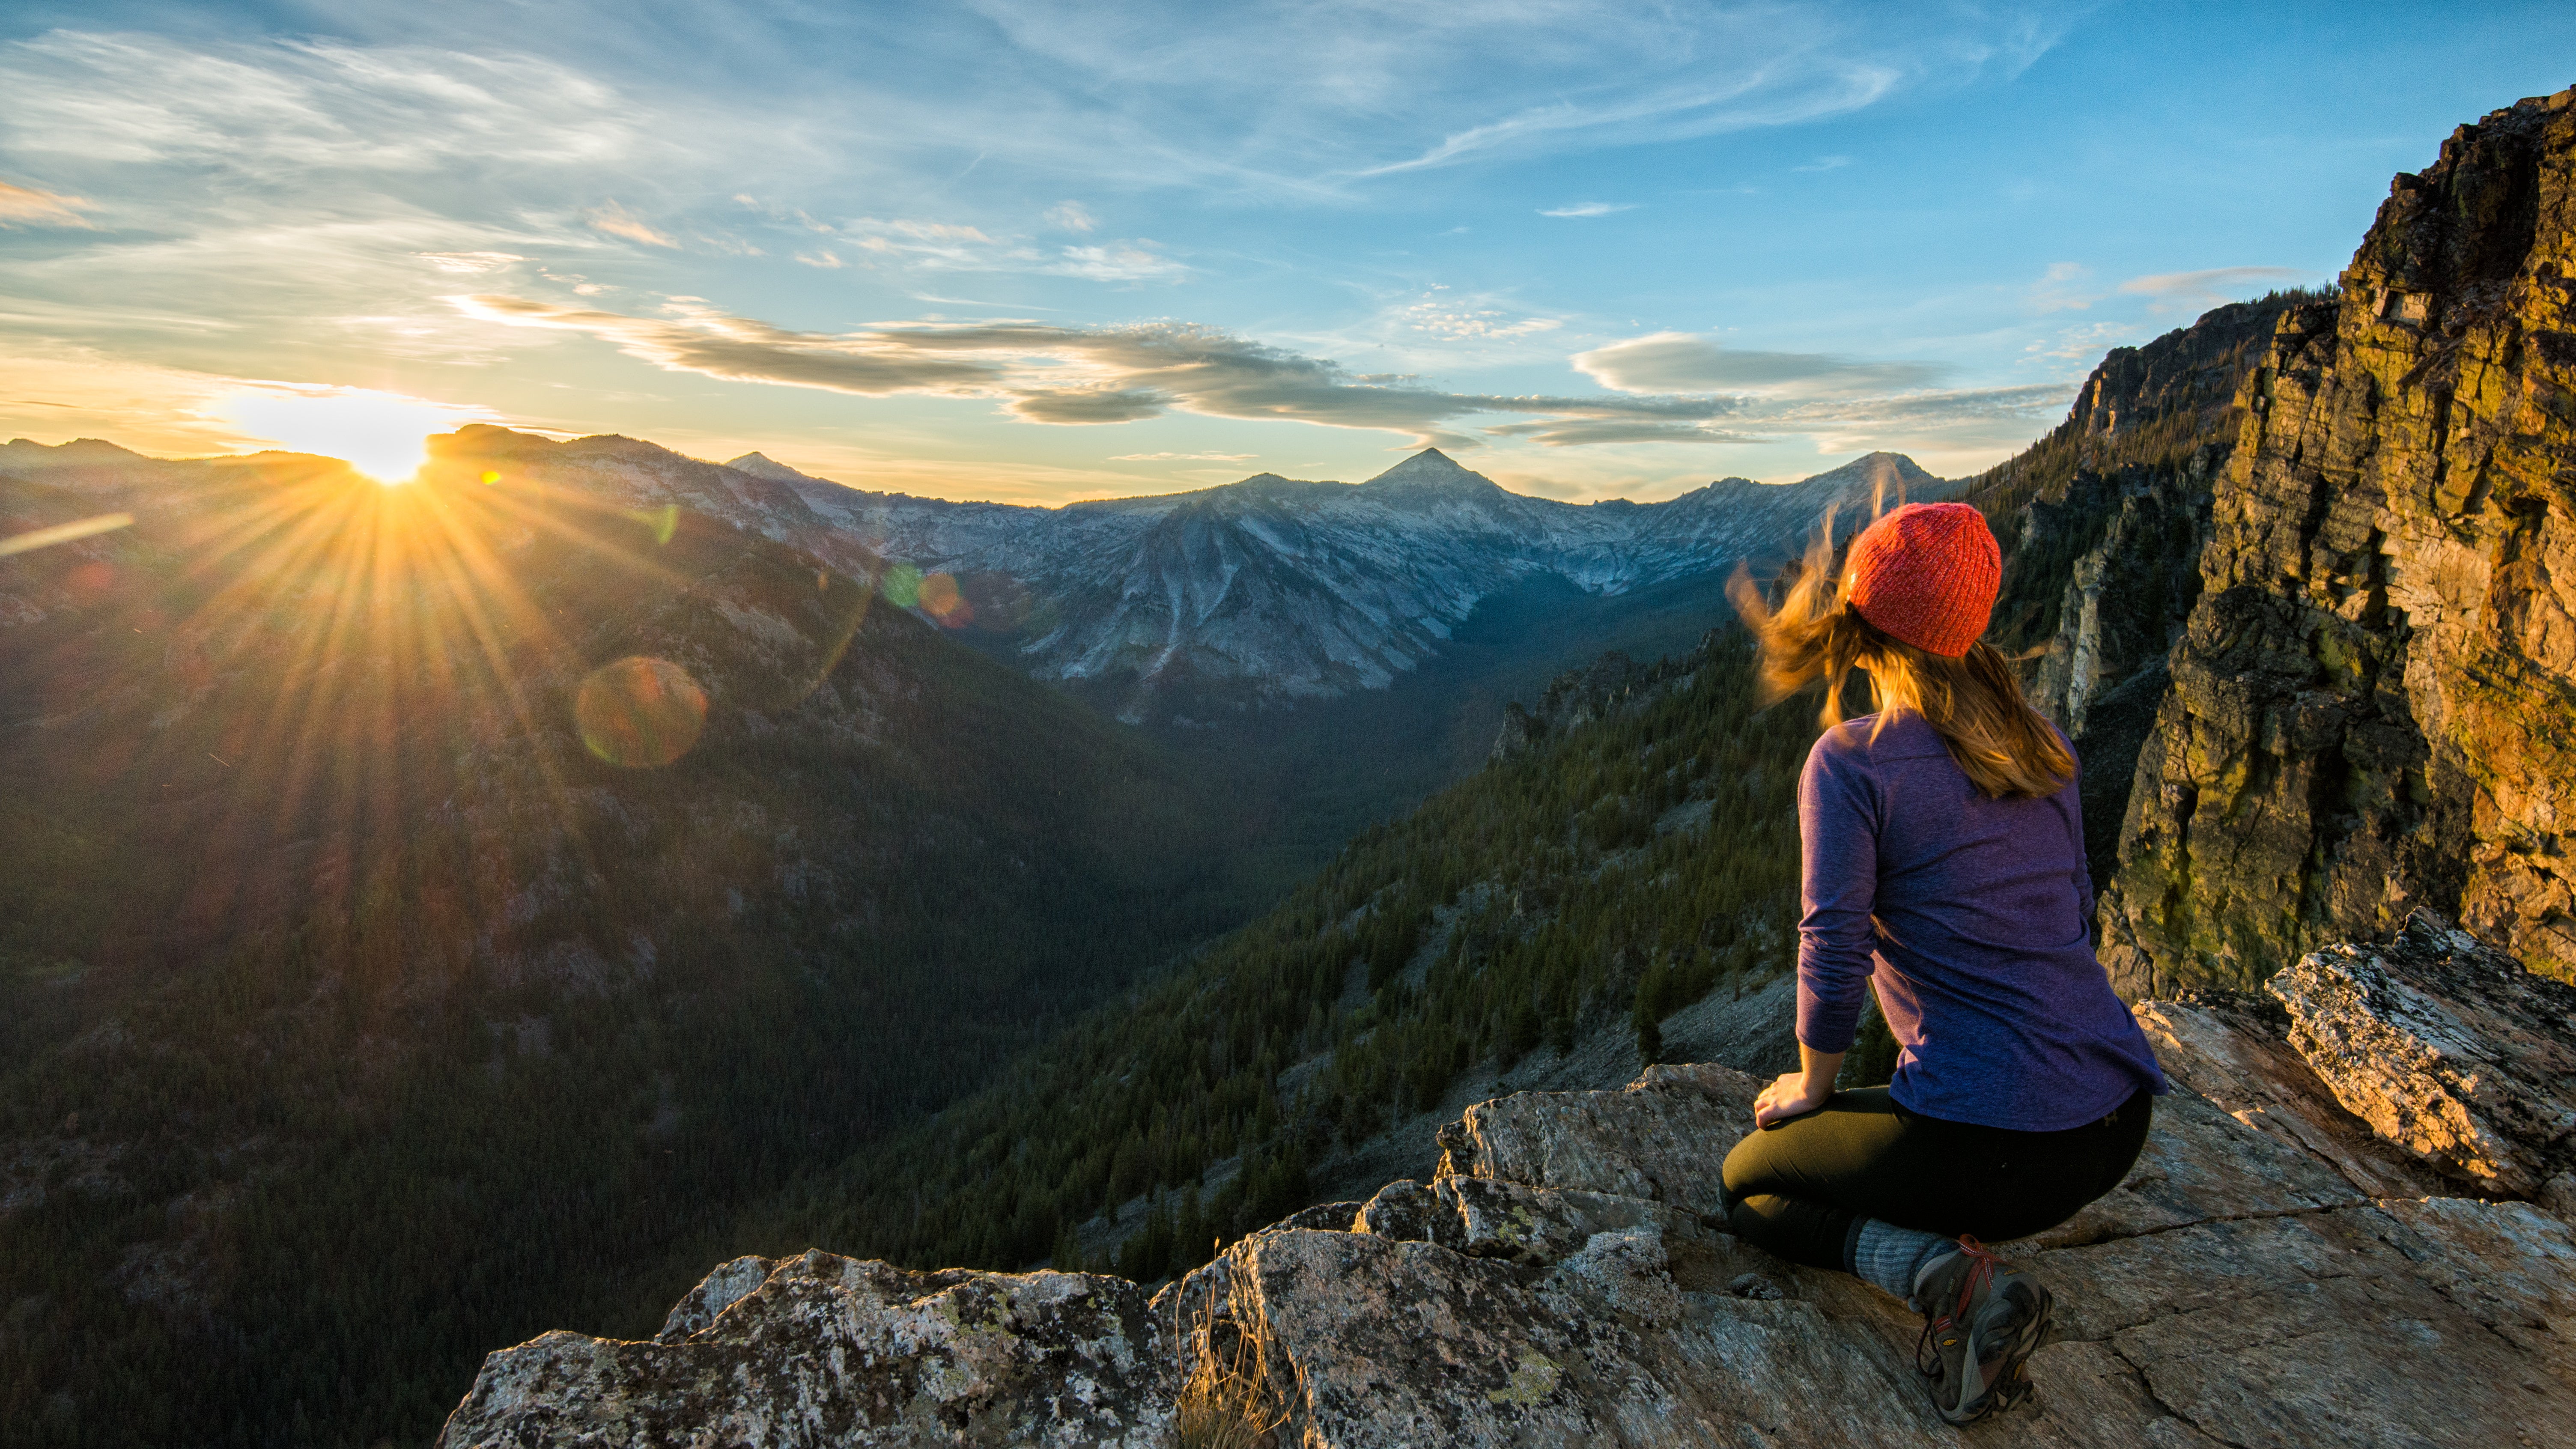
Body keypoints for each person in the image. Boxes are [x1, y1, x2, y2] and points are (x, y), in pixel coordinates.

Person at [1717, 500, 2168, 1424]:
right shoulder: (2041, 744)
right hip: (2116, 1123)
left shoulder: (1852, 762)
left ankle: (1950, 1284)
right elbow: (2073, 912)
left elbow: (1832, 942)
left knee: (1748, 1184)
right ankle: (1957, 1246)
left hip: (2001, 1147)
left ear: (1860, 618)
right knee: (1889, 1129)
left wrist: (1811, 1084)